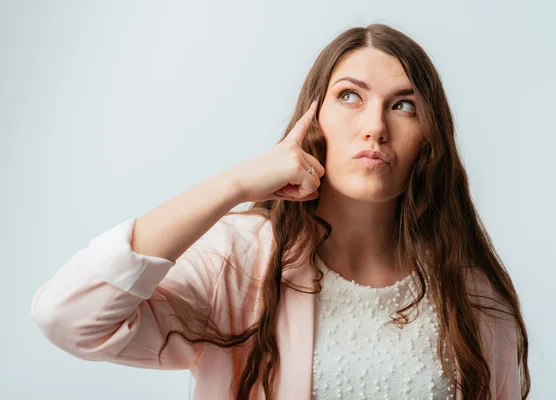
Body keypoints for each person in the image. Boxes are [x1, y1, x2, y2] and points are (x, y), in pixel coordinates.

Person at [31, 24, 530, 400]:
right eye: (350, 96)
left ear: (430, 139)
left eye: (404, 106)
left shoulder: (472, 296)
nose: (375, 126)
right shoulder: (242, 265)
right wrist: (236, 184)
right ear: (313, 119)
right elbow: (68, 316)